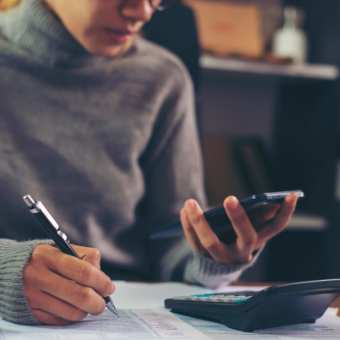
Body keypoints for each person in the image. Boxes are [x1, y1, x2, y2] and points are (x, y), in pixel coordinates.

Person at [0, 0, 298, 327]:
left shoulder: (163, 79)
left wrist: (211, 255)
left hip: (131, 308)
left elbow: (170, 238)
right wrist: (5, 272)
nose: (142, 13)